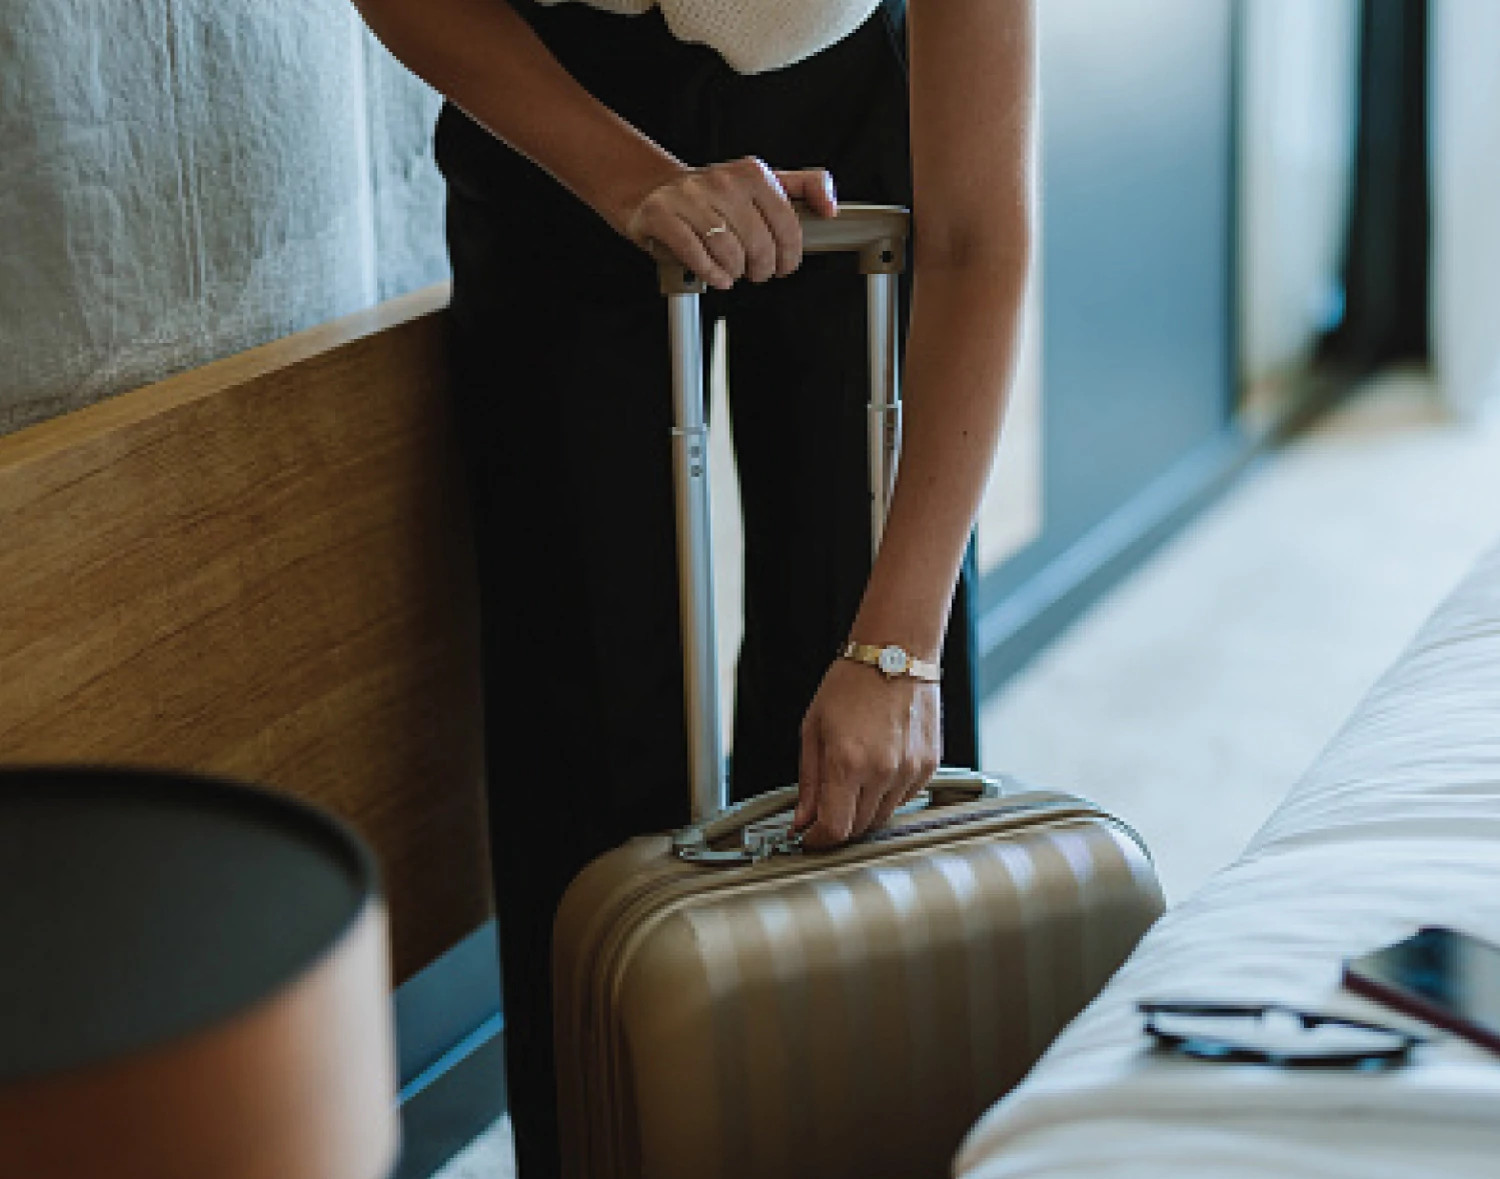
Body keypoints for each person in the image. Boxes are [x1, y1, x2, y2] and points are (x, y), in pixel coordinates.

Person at [349, 1, 1034, 1175]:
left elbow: (978, 239)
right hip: (560, 95)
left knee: (865, 759)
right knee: (583, 738)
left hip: (851, 106)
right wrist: (630, 178)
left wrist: (898, 653)